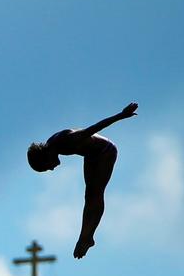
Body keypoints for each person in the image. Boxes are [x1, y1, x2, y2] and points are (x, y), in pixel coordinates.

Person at [28, 103, 138, 258]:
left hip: (106, 151)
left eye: (48, 167)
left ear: (45, 157)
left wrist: (121, 115)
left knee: (96, 192)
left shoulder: (66, 140)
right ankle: (85, 236)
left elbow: (94, 128)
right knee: (89, 195)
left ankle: (88, 236)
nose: (52, 169)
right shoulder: (52, 146)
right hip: (92, 155)